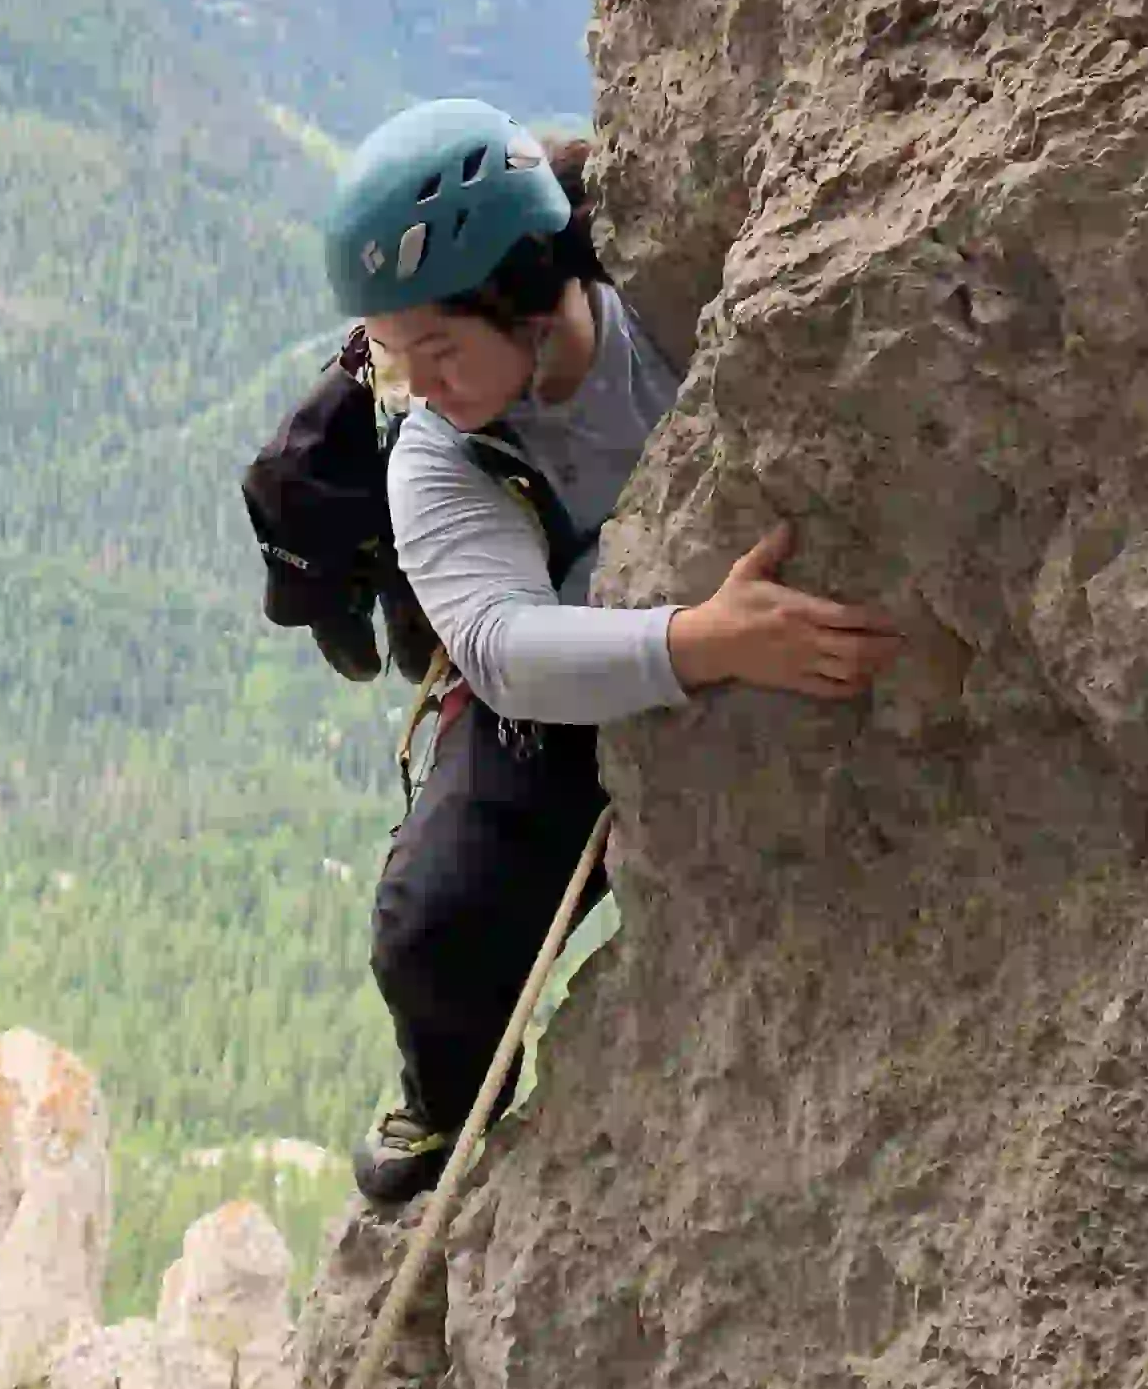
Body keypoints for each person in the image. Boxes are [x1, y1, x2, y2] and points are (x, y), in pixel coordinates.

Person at [322, 94, 901, 1203]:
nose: (423, 388)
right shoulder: (437, 456)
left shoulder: (669, 293)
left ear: (522, 293)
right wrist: (707, 644)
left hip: (692, 619)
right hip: (561, 691)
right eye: (397, 360)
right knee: (429, 925)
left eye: (439, 348)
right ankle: (447, 1103)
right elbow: (500, 647)